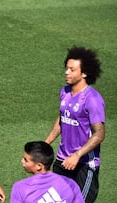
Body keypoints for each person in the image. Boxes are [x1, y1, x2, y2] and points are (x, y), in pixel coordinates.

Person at [45, 46, 105, 203]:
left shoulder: (92, 99)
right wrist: (46, 143)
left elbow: (99, 133)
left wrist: (77, 155)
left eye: (72, 70)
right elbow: (62, 118)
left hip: (84, 165)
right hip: (62, 160)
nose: (67, 72)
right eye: (66, 68)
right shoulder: (64, 92)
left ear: (84, 73)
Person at [10, 141, 84, 203]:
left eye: (26, 160)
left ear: (39, 166)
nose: (22, 161)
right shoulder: (70, 183)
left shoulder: (20, 187)